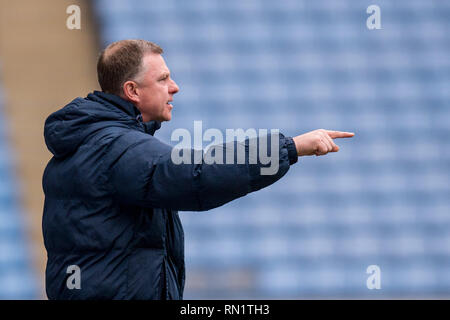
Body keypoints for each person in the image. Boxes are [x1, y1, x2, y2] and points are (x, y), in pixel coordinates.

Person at [42, 39, 354, 300]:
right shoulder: (118, 148)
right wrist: (289, 147)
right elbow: (198, 176)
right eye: (163, 79)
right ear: (132, 91)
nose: (174, 87)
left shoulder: (90, 142)